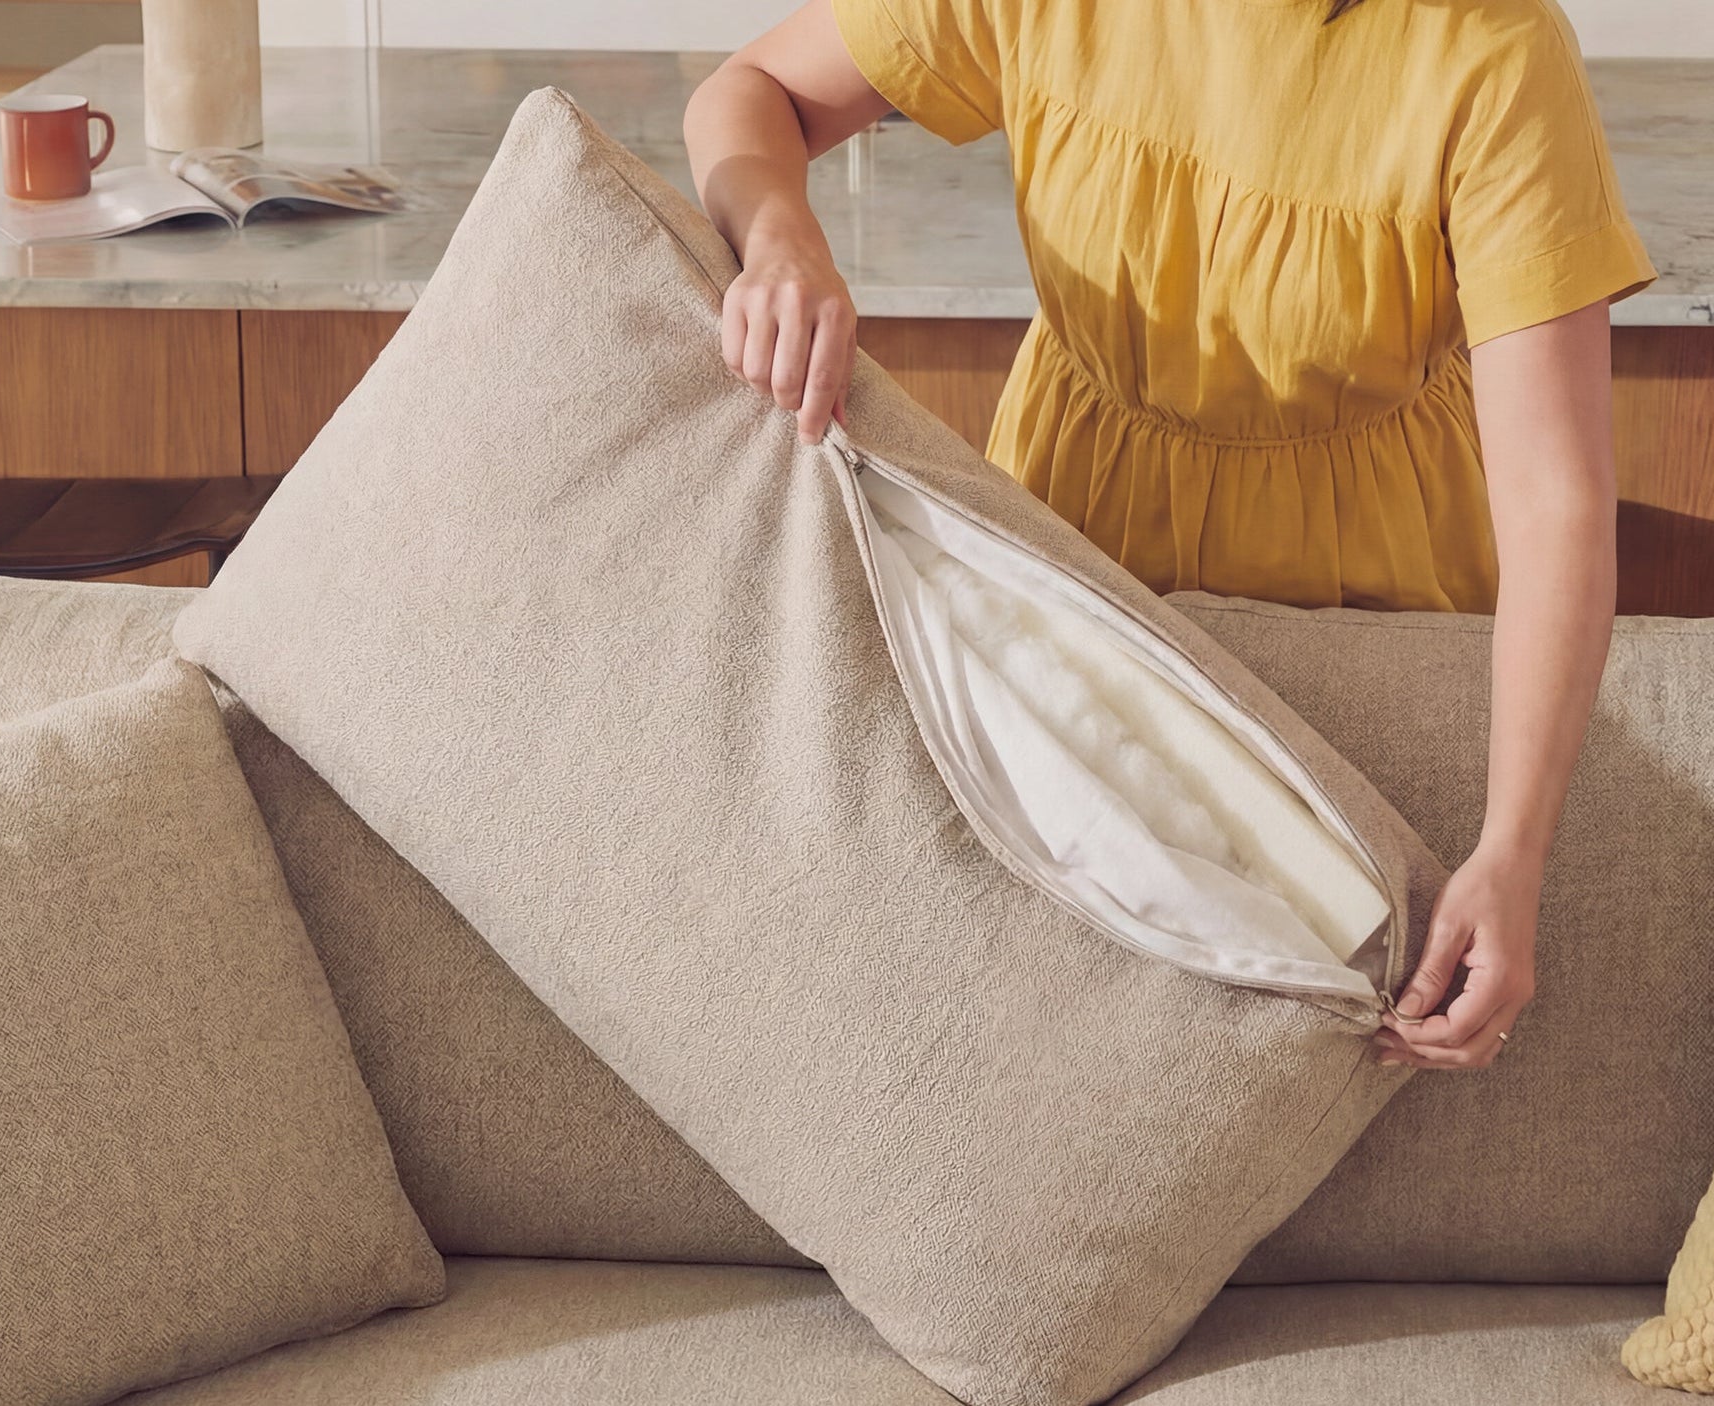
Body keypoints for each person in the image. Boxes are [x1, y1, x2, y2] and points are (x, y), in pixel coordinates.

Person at [685, 0, 1653, 1070]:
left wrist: (1511, 850)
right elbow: (751, 93)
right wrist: (780, 239)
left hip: (1367, 598)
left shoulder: (1496, 51)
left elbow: (1556, 503)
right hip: (1074, 555)